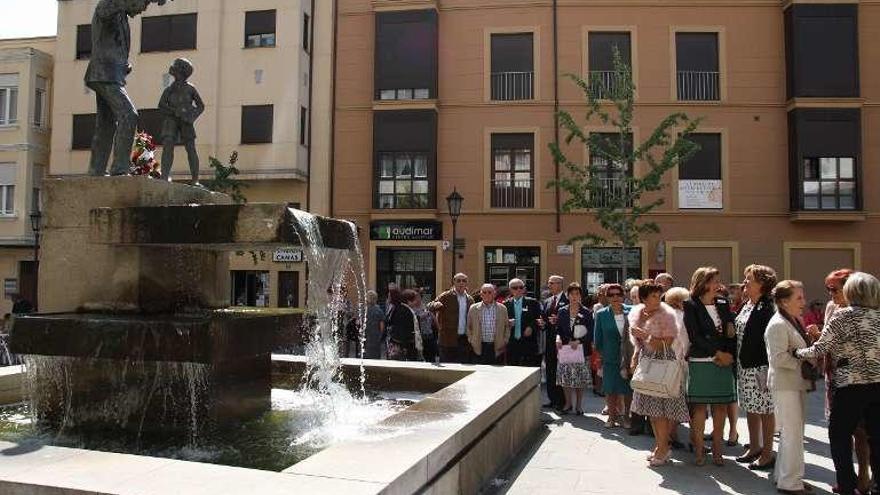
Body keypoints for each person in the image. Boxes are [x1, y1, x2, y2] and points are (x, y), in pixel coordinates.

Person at [797, 272, 880, 495]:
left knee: (840, 437)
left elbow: (821, 348)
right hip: (877, 384)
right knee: (876, 437)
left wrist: (797, 352)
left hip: (849, 386)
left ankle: (846, 485)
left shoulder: (843, 316)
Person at [86, 0, 173, 176]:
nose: (143, 9)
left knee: (105, 125)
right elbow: (105, 14)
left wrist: (123, 65)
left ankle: (96, 170)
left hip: (112, 75)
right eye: (143, 4)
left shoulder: (123, 17)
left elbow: (113, 45)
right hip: (103, 74)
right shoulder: (109, 6)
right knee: (128, 115)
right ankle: (120, 168)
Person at [819, 269, 871, 494]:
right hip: (834, 377)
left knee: (861, 432)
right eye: (828, 289)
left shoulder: (866, 311)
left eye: (834, 289)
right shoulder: (832, 309)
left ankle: (863, 478)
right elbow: (827, 340)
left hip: (860, 379)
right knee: (841, 432)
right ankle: (846, 479)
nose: (830, 294)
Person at [629, 282, 691, 466]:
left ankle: (663, 449)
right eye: (654, 295)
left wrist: (643, 334)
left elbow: (665, 343)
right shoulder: (640, 313)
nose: (658, 299)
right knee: (652, 413)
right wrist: (634, 356)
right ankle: (660, 447)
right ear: (644, 298)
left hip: (662, 364)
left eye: (659, 295)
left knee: (661, 412)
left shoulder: (667, 315)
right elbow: (638, 342)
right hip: (648, 361)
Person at [766, 280, 816, 495]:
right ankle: (790, 482)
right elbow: (778, 359)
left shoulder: (793, 320)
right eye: (799, 298)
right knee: (792, 434)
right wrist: (805, 357)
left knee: (791, 433)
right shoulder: (778, 324)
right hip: (786, 384)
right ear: (784, 302)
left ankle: (786, 476)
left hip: (794, 384)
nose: (803, 301)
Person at [684, 266, 737, 466]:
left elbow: (731, 332)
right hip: (702, 362)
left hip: (723, 363)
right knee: (698, 409)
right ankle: (698, 450)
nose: (718, 285)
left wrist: (729, 355)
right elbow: (694, 335)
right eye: (715, 281)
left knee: (721, 407)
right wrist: (717, 353)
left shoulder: (724, 303)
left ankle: (717, 450)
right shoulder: (691, 305)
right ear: (704, 283)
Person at [735, 265, 778, 470]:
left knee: (765, 410)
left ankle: (768, 453)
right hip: (745, 366)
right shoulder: (748, 304)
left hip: (760, 366)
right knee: (750, 407)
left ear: (762, 283)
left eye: (749, 279)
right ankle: (754, 447)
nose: (745, 283)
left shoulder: (769, 306)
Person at [158, 57, 204, 183]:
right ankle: (164, 176)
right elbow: (161, 105)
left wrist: (190, 117)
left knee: (190, 148)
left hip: (186, 121)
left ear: (181, 71)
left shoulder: (190, 89)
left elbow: (201, 106)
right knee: (168, 145)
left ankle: (195, 179)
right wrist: (173, 111)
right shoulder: (169, 89)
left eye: (176, 67)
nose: (172, 69)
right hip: (171, 121)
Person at [594, 283, 633, 428]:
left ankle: (627, 417)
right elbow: (597, 338)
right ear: (607, 297)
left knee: (628, 388)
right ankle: (611, 417)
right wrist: (602, 355)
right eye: (611, 295)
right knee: (610, 388)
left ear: (623, 296)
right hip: (610, 356)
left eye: (618, 294)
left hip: (628, 357)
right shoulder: (602, 314)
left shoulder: (632, 311)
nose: (615, 297)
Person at [555, 283, 594, 415]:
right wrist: (558, 338)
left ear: (581, 296)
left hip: (580, 350)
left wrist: (579, 341)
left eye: (577, 294)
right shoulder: (562, 311)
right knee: (565, 378)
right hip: (565, 349)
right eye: (571, 294)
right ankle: (568, 403)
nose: (574, 297)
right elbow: (558, 329)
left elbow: (590, 332)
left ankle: (578, 405)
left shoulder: (587, 312)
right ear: (567, 295)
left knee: (579, 379)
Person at [427, 274, 475, 364]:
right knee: (447, 366)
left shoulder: (470, 299)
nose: (461, 283)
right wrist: (434, 304)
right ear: (454, 282)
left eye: (464, 281)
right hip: (447, 339)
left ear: (466, 283)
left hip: (464, 339)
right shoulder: (446, 296)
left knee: (463, 367)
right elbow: (429, 305)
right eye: (458, 280)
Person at [542, 275, 569, 409]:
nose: (549, 285)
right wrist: (543, 323)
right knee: (550, 370)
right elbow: (545, 319)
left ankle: (562, 401)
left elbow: (570, 320)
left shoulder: (567, 300)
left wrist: (558, 321)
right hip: (550, 341)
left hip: (563, 341)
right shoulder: (547, 301)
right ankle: (552, 399)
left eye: (552, 283)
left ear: (560, 284)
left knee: (561, 371)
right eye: (549, 283)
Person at [467, 284, 510, 365]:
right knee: (480, 373)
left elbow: (507, 327)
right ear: (481, 294)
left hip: (497, 346)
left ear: (494, 294)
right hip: (479, 346)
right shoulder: (473, 308)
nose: (487, 294)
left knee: (496, 374)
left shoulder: (502, 308)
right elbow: (468, 327)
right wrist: (471, 340)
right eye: (484, 292)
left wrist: (505, 340)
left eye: (489, 292)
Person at [505, 278, 543, 367]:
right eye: (515, 288)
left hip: (529, 343)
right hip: (512, 344)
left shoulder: (533, 303)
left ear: (524, 289)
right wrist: (507, 323)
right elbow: (501, 323)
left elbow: (539, 319)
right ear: (510, 290)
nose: (518, 290)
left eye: (521, 287)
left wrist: (531, 327)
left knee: (529, 372)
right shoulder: (505, 304)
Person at [387, 289, 421, 361]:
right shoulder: (405, 311)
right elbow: (403, 330)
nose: (417, 302)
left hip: (400, 344)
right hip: (403, 346)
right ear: (408, 301)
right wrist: (405, 346)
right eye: (415, 300)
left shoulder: (401, 308)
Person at [411, 294, 438, 363]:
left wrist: (435, 321)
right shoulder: (412, 309)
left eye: (419, 297)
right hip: (420, 336)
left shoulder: (425, 306)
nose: (418, 300)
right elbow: (416, 319)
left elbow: (432, 317)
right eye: (416, 298)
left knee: (431, 355)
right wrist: (424, 315)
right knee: (422, 357)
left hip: (429, 334)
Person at [364, 290, 385, 359]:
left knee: (366, 354)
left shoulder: (364, 310)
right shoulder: (379, 311)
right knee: (375, 355)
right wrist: (381, 335)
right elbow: (382, 326)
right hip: (376, 335)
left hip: (366, 335)